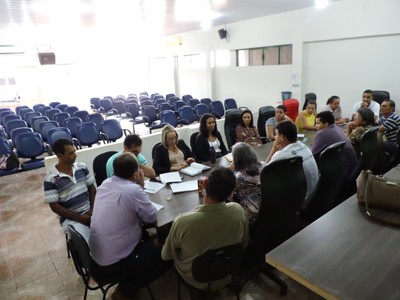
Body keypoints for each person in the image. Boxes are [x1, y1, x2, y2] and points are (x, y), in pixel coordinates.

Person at [89, 153, 171, 299]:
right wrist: (139, 185)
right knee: (166, 257)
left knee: (146, 237)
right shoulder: (133, 190)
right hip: (115, 262)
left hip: (96, 258)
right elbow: (151, 217)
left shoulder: (105, 183)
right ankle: (125, 289)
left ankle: (134, 273)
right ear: (135, 173)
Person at [161, 167, 248, 290]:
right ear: (230, 194)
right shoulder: (238, 211)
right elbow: (244, 244)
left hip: (196, 279)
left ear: (204, 184)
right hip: (228, 272)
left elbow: (166, 255)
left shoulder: (183, 222)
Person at [44, 138, 96, 242]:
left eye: (74, 151)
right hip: (72, 218)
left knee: (110, 231)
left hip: (91, 212)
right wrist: (79, 218)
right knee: (86, 242)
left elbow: (92, 188)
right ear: (59, 155)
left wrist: (92, 209)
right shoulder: (51, 179)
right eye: (70, 153)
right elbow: (54, 206)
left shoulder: (81, 167)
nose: (75, 155)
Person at [266, 121, 318, 207]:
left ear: (282, 137)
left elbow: (264, 171)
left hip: (303, 200)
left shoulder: (281, 155)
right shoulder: (303, 145)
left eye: (276, 134)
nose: (275, 137)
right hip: (314, 194)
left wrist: (274, 150)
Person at [312, 111, 358, 179]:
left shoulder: (323, 134)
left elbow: (312, 155)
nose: (315, 126)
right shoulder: (338, 128)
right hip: (351, 171)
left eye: (318, 123)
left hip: (342, 173)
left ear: (326, 124)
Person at [230, 142, 266, 224]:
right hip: (268, 207)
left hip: (253, 216)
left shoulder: (238, 178)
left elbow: (229, 198)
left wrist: (230, 170)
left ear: (235, 160)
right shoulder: (263, 166)